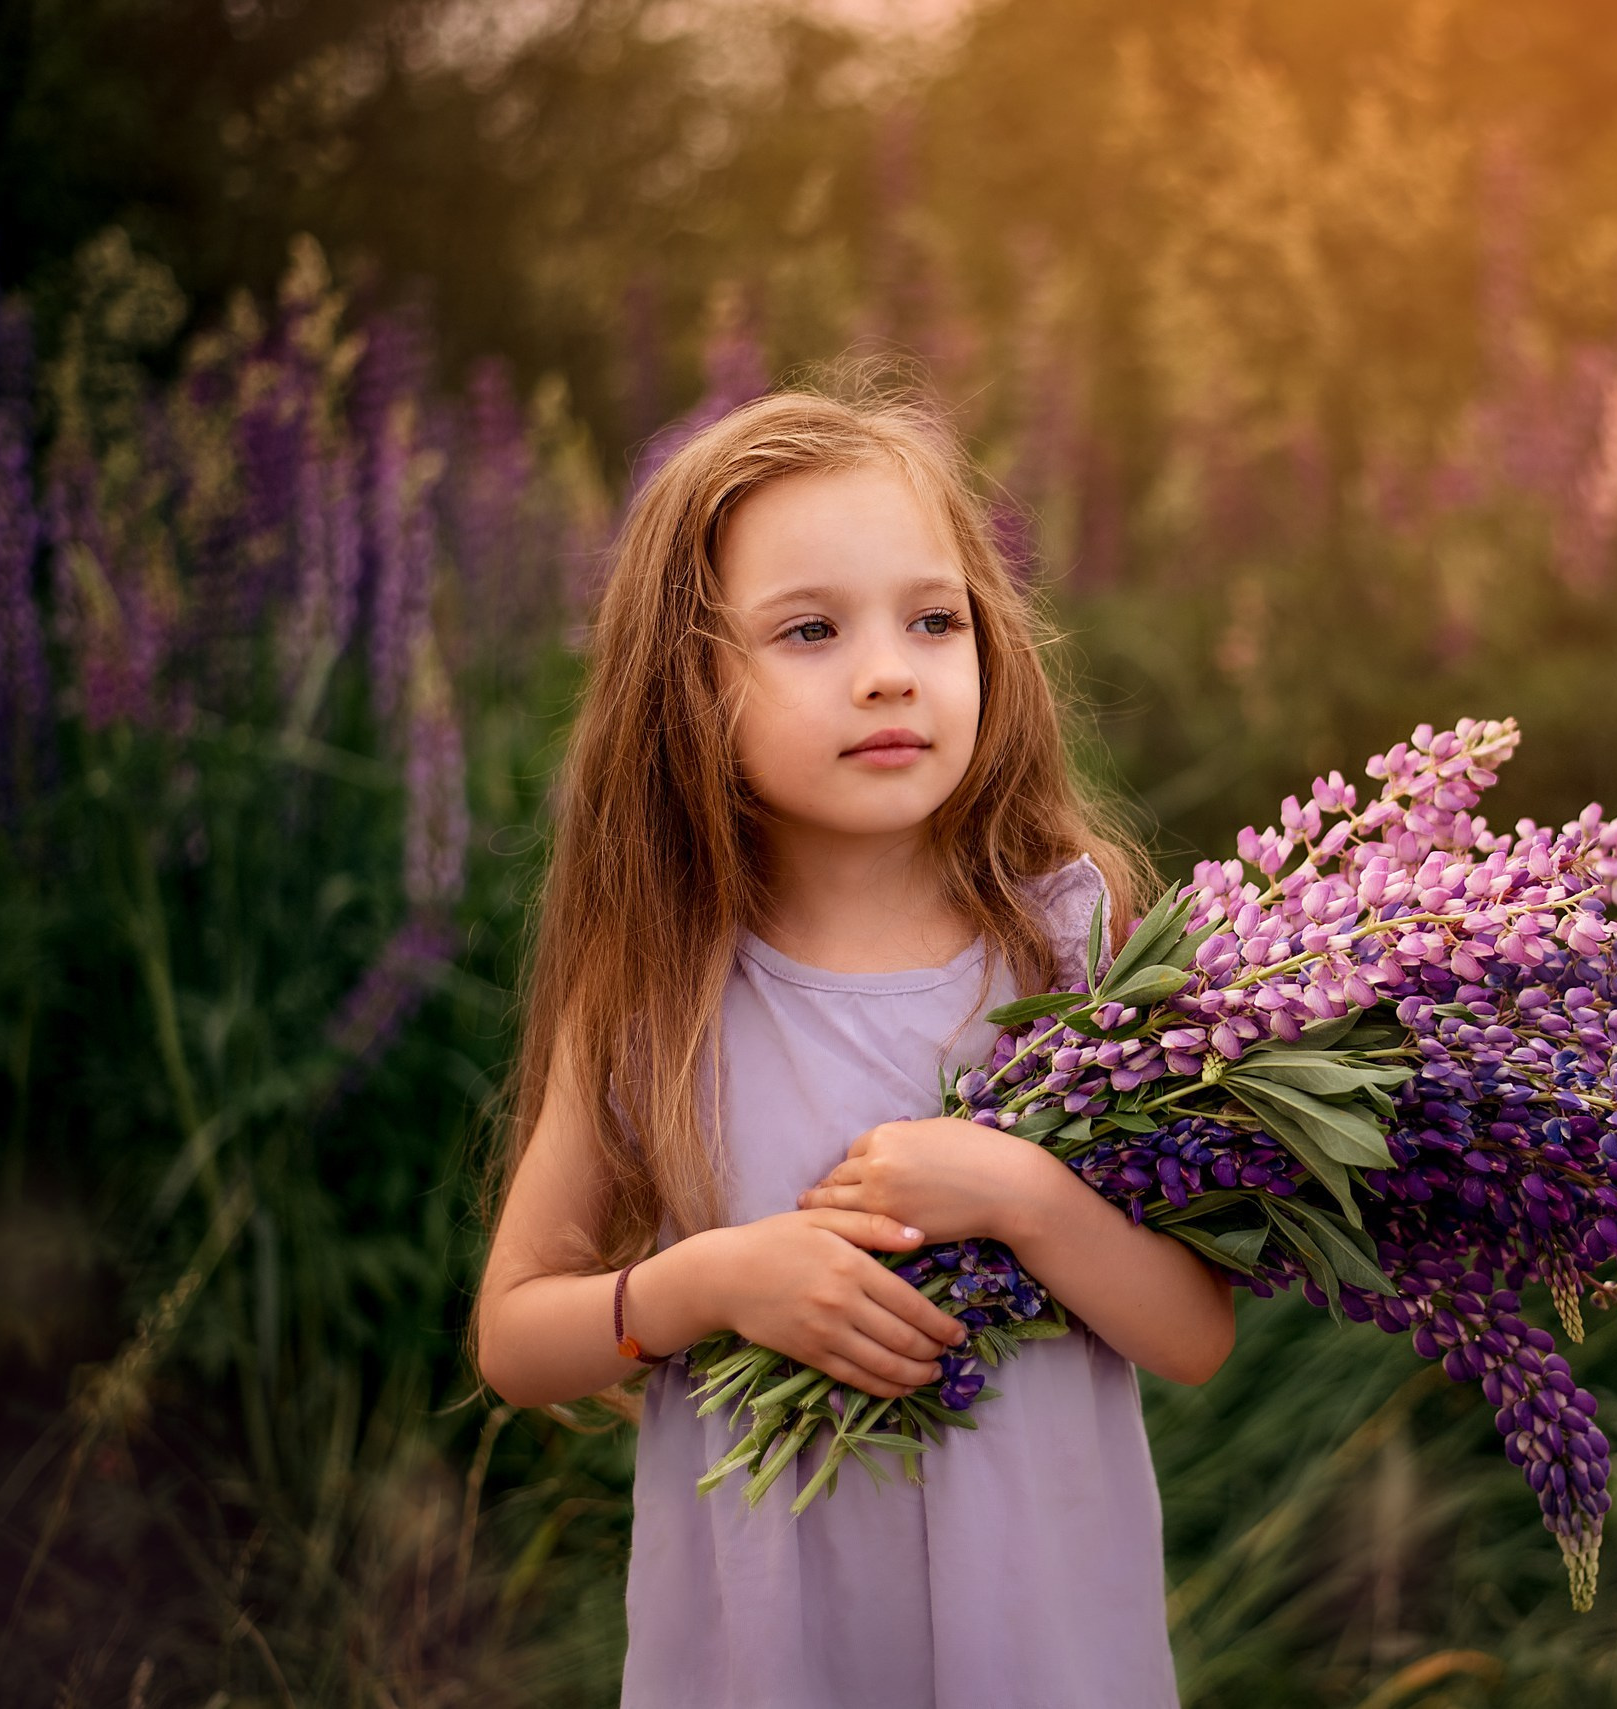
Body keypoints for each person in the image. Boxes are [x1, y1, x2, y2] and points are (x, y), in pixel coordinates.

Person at [473, 381, 1235, 1707]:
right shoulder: (665, 986)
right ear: (692, 689)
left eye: (933, 619)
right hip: (771, 1661)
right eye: (811, 629)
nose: (890, 667)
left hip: (1040, 1648)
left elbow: (1191, 1333)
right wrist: (711, 1282)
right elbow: (514, 1333)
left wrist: (1017, 1190)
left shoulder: (1073, 939)